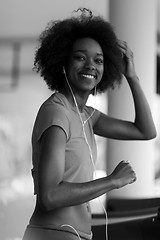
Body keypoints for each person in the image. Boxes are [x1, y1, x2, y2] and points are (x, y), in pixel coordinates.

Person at [22, 8, 156, 240]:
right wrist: (113, 181)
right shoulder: (57, 113)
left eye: (99, 60)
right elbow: (49, 196)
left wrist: (131, 76)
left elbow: (145, 131)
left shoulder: (87, 115)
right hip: (53, 235)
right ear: (62, 62)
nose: (91, 65)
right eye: (80, 57)